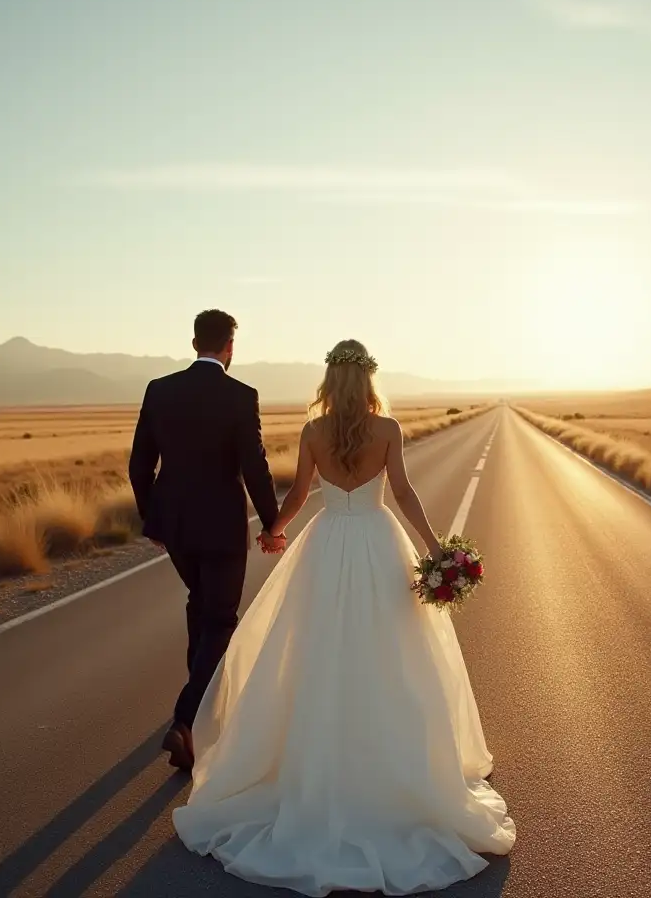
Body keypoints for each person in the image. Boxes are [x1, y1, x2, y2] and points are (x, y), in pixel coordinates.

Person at [171, 339, 515, 896]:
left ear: (330, 380)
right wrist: (435, 548)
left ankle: (318, 767)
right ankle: (392, 769)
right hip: (380, 545)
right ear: (369, 381)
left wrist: (273, 530)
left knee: (317, 655)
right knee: (390, 657)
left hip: (326, 547)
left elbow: (300, 494)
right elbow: (402, 492)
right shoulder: (389, 431)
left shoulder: (313, 432)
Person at [128, 309, 286, 772]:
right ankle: (185, 720)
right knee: (220, 618)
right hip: (220, 527)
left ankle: (200, 714)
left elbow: (139, 465)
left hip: (175, 527)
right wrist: (272, 525)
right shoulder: (241, 396)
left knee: (202, 605)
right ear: (229, 347)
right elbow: (254, 466)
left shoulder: (160, 390)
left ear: (195, 342)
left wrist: (151, 519)